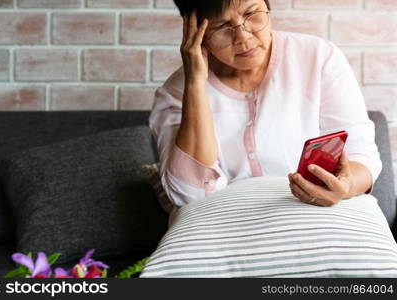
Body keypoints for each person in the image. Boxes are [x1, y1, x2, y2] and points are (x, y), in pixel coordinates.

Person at [149, 0, 382, 209]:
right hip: (224, 231)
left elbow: (362, 156)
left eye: (252, 14)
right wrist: (196, 84)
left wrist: (344, 186)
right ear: (195, 32)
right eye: (221, 26)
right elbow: (189, 194)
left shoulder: (318, 57)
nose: (242, 37)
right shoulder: (176, 93)